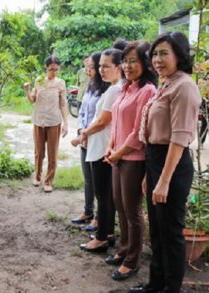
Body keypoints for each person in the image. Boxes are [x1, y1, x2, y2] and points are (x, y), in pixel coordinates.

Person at [130, 32, 202, 293]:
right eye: (155, 54)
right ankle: (155, 283)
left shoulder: (184, 86)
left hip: (172, 163)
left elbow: (180, 137)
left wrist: (163, 180)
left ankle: (171, 288)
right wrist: (151, 174)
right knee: (158, 231)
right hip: (156, 161)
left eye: (164, 54)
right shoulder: (167, 83)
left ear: (179, 56)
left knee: (171, 233)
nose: (157, 60)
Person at [104, 41, 157, 281]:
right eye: (125, 61)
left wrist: (119, 152)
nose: (127, 65)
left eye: (133, 60)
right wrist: (110, 147)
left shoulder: (147, 91)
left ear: (145, 62)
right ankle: (124, 248)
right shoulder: (127, 87)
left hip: (133, 159)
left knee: (133, 211)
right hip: (117, 156)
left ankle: (132, 260)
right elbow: (116, 123)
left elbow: (138, 133)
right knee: (120, 207)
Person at [79, 48, 123, 253]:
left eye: (106, 66)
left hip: (101, 146)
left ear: (118, 67)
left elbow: (104, 120)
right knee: (106, 195)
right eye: (100, 66)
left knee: (103, 195)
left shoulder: (114, 90)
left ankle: (102, 238)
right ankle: (108, 232)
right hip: (100, 145)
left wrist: (83, 133)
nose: (101, 70)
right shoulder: (113, 88)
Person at [71, 52, 108, 231]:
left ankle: (100, 219)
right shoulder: (90, 86)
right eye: (89, 67)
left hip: (95, 139)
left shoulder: (108, 89)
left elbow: (101, 118)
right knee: (88, 179)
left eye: (93, 67)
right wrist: (80, 131)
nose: (90, 70)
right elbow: (83, 110)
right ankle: (88, 211)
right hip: (84, 137)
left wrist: (85, 135)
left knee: (99, 182)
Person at [23, 55, 68, 192]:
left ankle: (48, 181)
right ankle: (37, 176)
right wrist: (27, 90)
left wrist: (66, 123)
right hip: (39, 120)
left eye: (56, 69)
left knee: (52, 153)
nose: (53, 72)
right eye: (50, 69)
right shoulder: (39, 81)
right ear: (46, 68)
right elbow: (32, 100)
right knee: (39, 151)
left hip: (54, 121)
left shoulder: (61, 83)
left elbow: (63, 104)